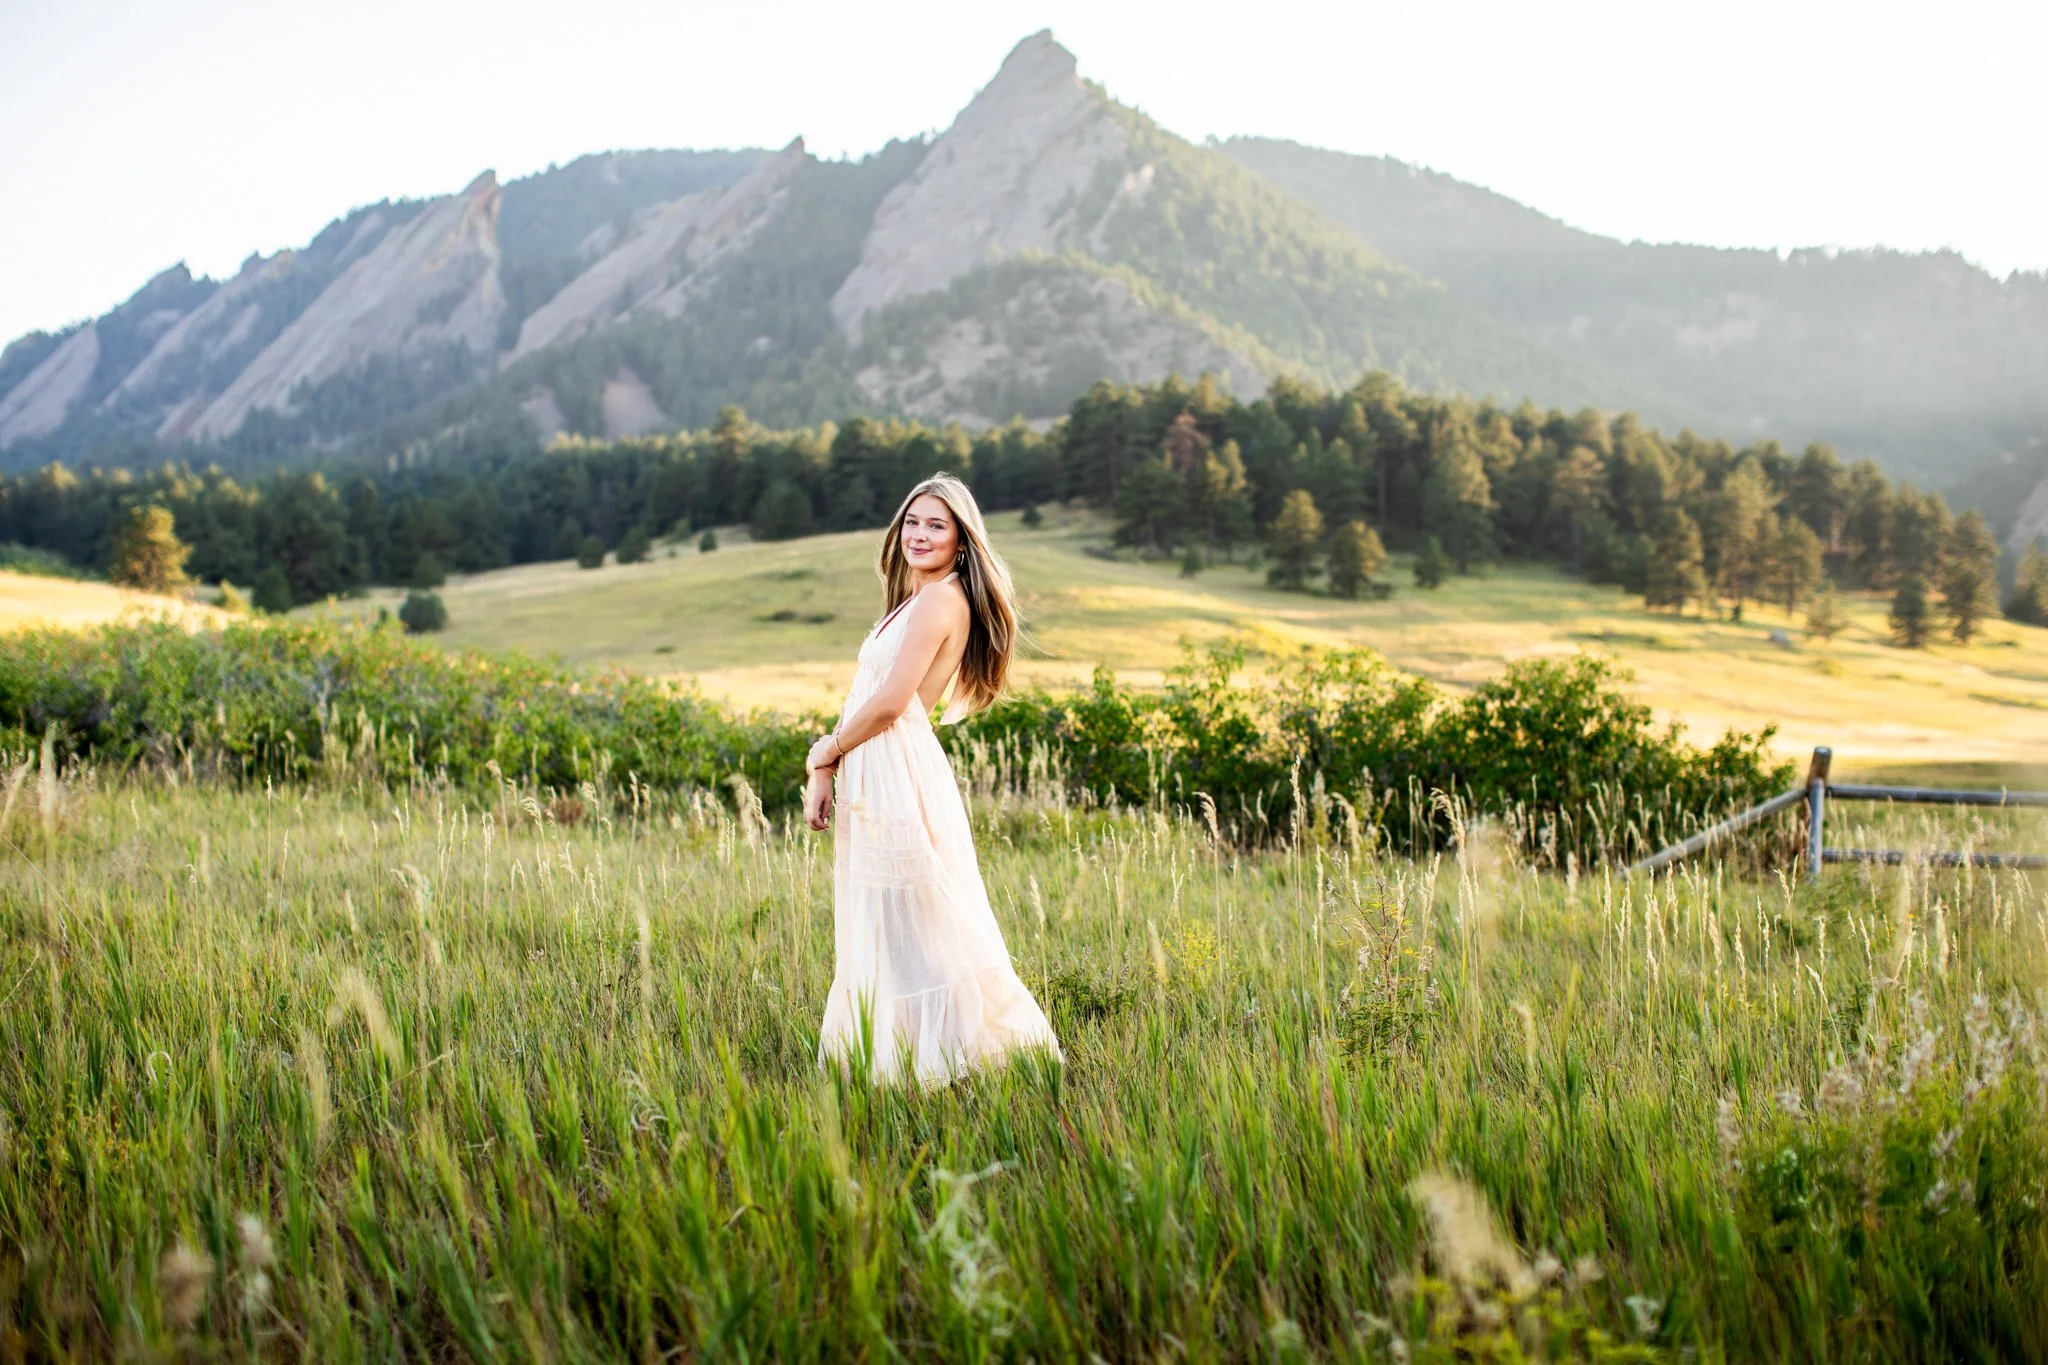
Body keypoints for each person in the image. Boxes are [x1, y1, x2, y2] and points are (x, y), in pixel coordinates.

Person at [803, 474, 1062, 1085]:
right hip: (880, 762)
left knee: (923, 911)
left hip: (895, 766)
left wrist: (823, 752)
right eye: (913, 522)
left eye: (936, 525)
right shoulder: (916, 599)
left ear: (962, 542)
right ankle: (908, 1056)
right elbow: (873, 699)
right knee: (896, 914)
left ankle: (977, 1053)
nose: (920, 535)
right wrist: (832, 766)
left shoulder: (941, 600)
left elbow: (893, 702)